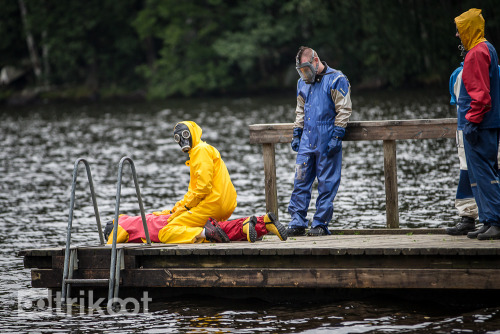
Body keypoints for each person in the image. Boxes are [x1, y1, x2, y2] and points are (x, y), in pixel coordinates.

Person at [288, 46, 352, 236]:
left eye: (306, 69)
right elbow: (300, 109)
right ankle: (297, 221)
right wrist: (297, 132)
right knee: (300, 181)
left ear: (316, 61)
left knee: (326, 182)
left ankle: (320, 224)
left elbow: (344, 109)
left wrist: (337, 135)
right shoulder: (302, 83)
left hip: (327, 137)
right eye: (301, 71)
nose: (304, 74)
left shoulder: (337, 79)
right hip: (307, 137)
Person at [452, 8, 500, 240]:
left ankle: (496, 222)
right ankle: (488, 219)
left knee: (484, 173)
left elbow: (481, 95)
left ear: (468, 30)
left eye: (460, 31)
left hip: (480, 125)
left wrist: (471, 123)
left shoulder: (477, 53)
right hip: (484, 123)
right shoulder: (487, 48)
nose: (458, 36)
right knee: (479, 175)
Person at [156, 121, 238, 243]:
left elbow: (203, 188)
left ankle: (207, 233)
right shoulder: (201, 151)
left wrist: (186, 207)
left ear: (192, 133)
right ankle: (241, 230)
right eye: (177, 138)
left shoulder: (200, 150)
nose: (182, 140)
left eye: (185, 134)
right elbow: (193, 192)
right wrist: (175, 209)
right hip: (223, 204)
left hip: (213, 204)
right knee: (193, 224)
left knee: (166, 232)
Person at [446, 61, 500, 236]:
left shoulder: (495, 71)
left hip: (485, 128)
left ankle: (489, 219)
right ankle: (470, 218)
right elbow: (458, 103)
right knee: (468, 171)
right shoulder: (458, 74)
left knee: (487, 172)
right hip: (469, 129)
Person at [104, 211, 288, 244]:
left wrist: (107, 242)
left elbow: (113, 244)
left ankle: (204, 233)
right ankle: (262, 222)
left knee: (167, 236)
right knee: (222, 228)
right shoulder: (140, 216)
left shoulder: (120, 226)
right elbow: (166, 211)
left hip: (171, 229)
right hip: (181, 217)